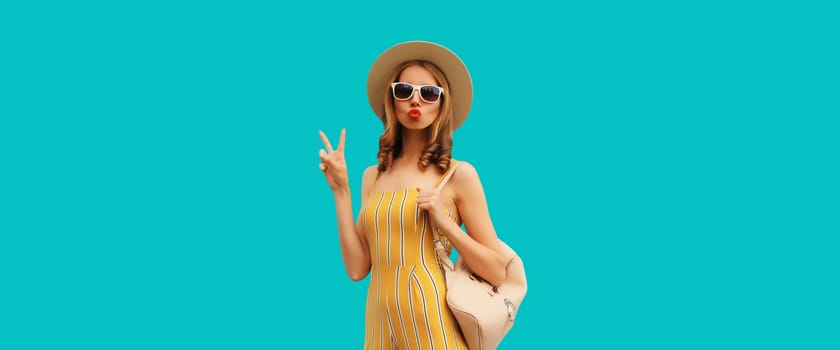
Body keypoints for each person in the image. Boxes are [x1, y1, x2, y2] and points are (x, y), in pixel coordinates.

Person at [318, 41, 508, 349]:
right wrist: (341, 190)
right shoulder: (372, 176)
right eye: (404, 91)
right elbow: (357, 269)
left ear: (442, 103)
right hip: (380, 327)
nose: (415, 100)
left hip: (433, 328)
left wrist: (444, 224)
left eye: (429, 93)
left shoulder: (459, 175)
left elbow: (497, 271)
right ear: (391, 100)